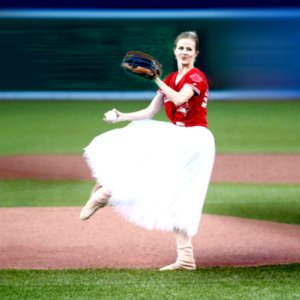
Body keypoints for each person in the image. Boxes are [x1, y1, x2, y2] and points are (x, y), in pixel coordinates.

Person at [80, 31, 215, 271]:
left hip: (194, 139)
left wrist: (156, 79)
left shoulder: (196, 77)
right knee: (174, 192)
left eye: (188, 49)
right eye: (180, 48)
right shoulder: (172, 78)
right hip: (180, 136)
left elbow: (180, 100)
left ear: (196, 54)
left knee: (156, 169)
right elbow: (150, 112)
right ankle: (186, 259)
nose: (184, 52)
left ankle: (106, 191)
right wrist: (121, 116)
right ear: (174, 51)